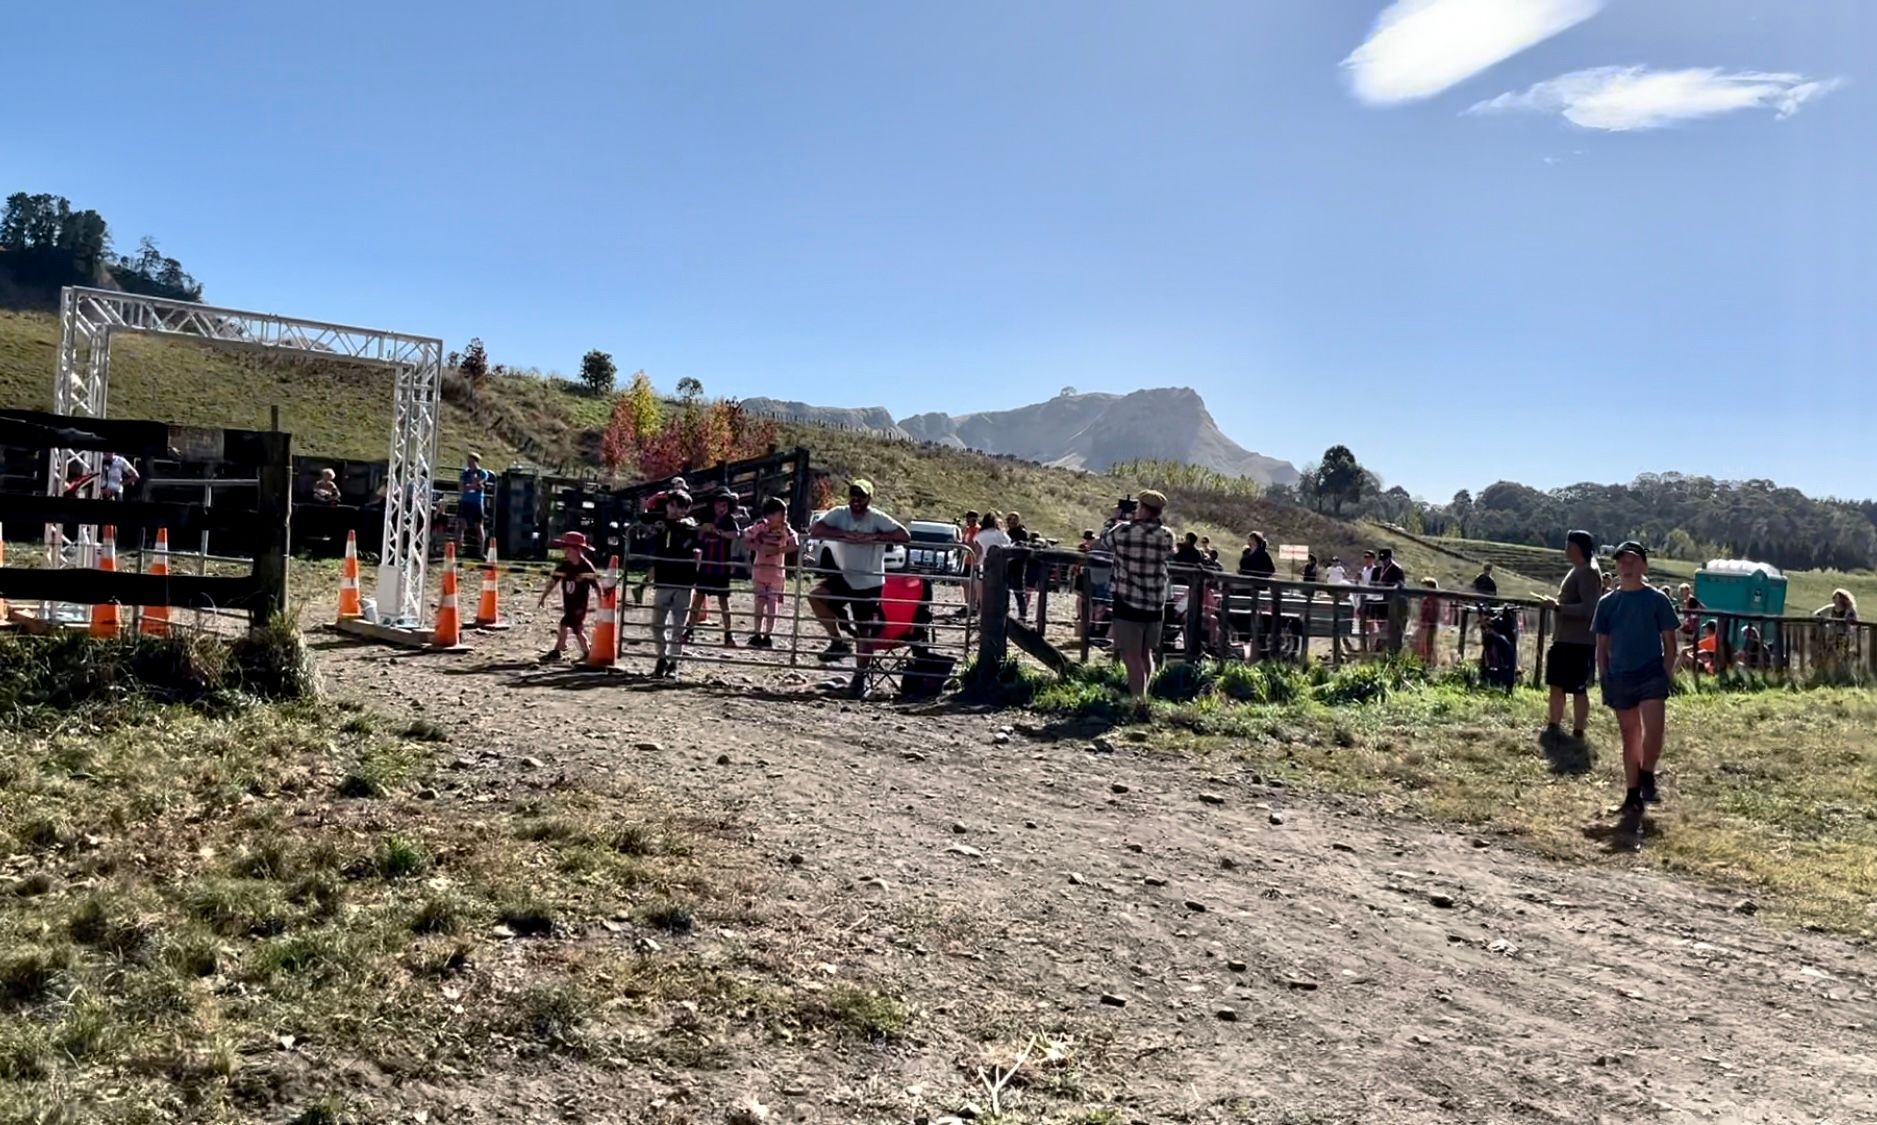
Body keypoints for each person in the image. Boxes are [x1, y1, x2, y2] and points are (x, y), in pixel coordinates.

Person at [1593, 541, 1681, 828]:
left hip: (1650, 673)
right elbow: (1601, 647)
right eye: (1621, 562)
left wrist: (1666, 673)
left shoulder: (1657, 600)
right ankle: (1633, 795)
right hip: (1620, 676)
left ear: (1643, 565)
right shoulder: (1607, 603)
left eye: (1631, 561)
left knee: (1653, 732)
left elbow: (1671, 643)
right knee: (1630, 736)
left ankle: (1647, 774)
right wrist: (1604, 676)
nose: (1625, 566)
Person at [806, 479, 910, 695]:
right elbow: (816, 529)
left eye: (861, 496)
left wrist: (875, 537)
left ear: (869, 499)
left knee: (865, 632)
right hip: (845, 575)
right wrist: (843, 534)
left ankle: (859, 679)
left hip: (869, 582)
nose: (856, 500)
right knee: (816, 596)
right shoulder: (839, 513)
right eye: (853, 495)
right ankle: (837, 640)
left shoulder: (877, 517)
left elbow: (904, 535)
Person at [1099, 489, 1174, 717]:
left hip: (1128, 598)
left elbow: (1105, 539)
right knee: (1145, 653)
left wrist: (1115, 518)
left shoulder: (1123, 531)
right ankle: (1144, 696)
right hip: (1155, 601)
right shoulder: (1166, 535)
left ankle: (1137, 702)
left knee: (1130, 655)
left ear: (1142, 508)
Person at [1543, 530, 1602, 742]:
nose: (1565, 549)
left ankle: (1578, 730)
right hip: (1565, 639)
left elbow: (1590, 608)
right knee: (1556, 684)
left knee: (1578, 687)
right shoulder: (1579, 570)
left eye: (1568, 545)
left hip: (1577, 642)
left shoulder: (1588, 572)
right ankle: (1554, 724)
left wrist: (1559, 607)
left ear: (1577, 547)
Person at [641, 490, 702, 679]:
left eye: (681, 507)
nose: (675, 510)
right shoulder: (660, 525)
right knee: (657, 624)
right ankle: (662, 657)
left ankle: (674, 661)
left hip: (683, 581)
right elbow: (643, 522)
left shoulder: (690, 527)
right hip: (663, 580)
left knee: (678, 625)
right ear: (667, 506)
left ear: (687, 509)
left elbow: (696, 544)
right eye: (672, 505)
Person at [689, 487, 745, 648]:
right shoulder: (706, 518)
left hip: (721, 566)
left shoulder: (729, 521)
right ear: (713, 505)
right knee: (698, 598)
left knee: (723, 601)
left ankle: (728, 634)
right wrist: (703, 530)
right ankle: (689, 630)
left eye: (725, 505)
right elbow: (697, 535)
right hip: (706, 565)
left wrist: (718, 532)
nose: (721, 508)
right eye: (719, 504)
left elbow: (736, 534)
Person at [741, 497, 798, 648]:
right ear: (768, 515)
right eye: (779, 514)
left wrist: (778, 550)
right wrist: (757, 546)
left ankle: (768, 635)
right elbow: (745, 537)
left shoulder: (786, 529)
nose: (782, 518)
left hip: (776, 573)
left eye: (783, 514)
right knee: (759, 603)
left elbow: (795, 544)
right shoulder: (761, 527)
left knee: (772, 605)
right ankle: (756, 633)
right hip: (760, 570)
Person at [536, 531, 600, 663]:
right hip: (569, 603)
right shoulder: (564, 565)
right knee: (573, 628)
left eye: (567, 549)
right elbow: (553, 581)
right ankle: (584, 651)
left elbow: (595, 584)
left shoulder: (585, 566)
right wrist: (543, 596)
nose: (564, 551)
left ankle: (560, 651)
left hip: (579, 605)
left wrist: (601, 599)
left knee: (570, 626)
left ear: (577, 550)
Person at [458, 453, 494, 556]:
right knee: (461, 525)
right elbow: (461, 488)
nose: (468, 464)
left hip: (477, 502)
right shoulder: (465, 473)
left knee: (478, 526)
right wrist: (472, 486)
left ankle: (481, 552)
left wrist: (471, 485)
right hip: (465, 501)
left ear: (475, 461)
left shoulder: (482, 473)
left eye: (470, 461)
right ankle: (458, 549)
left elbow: (480, 486)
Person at [1415, 577, 1442, 663]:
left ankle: (1429, 661)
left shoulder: (1433, 600)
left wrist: (1426, 622)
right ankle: (1424, 660)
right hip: (1424, 624)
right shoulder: (1427, 599)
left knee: (1428, 644)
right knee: (1423, 643)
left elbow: (1432, 613)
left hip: (1429, 625)